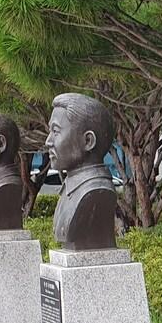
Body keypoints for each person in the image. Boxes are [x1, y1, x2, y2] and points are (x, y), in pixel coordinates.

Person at [46, 94, 118, 251]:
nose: (48, 141)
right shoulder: (72, 189)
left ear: (88, 141)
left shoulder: (95, 192)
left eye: (56, 131)